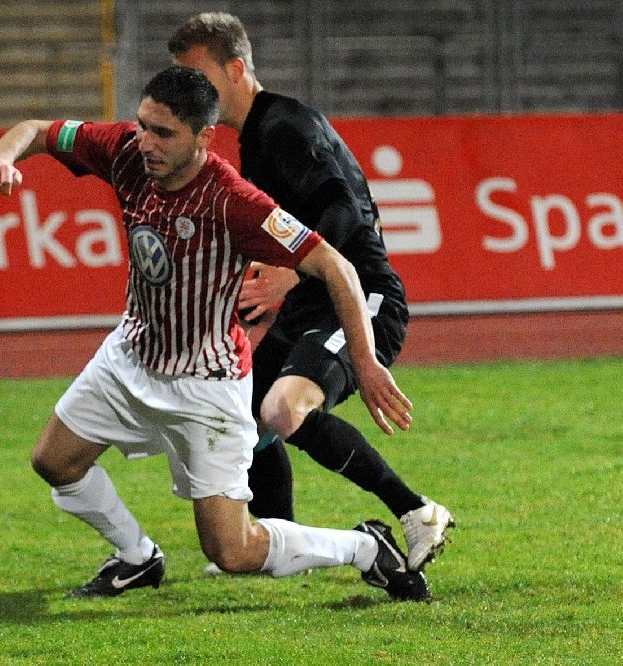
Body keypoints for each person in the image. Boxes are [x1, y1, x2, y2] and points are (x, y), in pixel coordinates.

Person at [0, 65, 429, 601]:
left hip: (206, 384)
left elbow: (337, 267)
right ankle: (138, 557)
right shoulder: (123, 150)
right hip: (131, 355)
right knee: (53, 460)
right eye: (144, 125)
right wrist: (1, 158)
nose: (147, 142)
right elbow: (37, 129)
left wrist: (368, 361)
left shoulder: (233, 201)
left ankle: (365, 548)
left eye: (164, 133)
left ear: (203, 138)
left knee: (232, 552)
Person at [169, 12, 454, 571]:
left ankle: (417, 511)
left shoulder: (285, 130)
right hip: (310, 306)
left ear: (236, 69)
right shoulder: (258, 137)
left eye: (197, 76)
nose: (189, 91)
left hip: (362, 298)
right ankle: (278, 540)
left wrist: (293, 274)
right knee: (241, 416)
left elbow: (345, 216)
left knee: (281, 410)